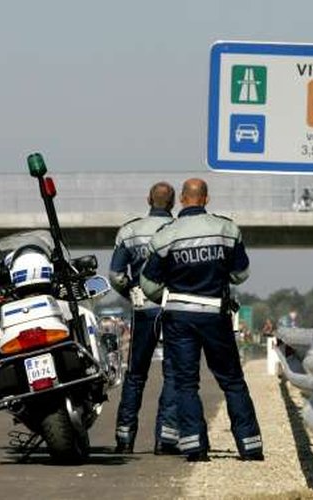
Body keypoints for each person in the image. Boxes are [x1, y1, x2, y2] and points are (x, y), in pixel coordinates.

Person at [140, 178, 263, 462]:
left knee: (185, 383)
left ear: (182, 199)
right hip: (215, 315)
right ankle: (250, 446)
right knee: (232, 381)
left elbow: (148, 283)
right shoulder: (227, 229)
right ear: (206, 199)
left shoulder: (165, 235)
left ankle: (194, 447)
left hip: (179, 317)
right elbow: (241, 274)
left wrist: (168, 295)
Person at [109, 182, 178, 455]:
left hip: (142, 309)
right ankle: (166, 439)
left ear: (148, 198)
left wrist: (131, 291)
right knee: (173, 374)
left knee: (136, 375)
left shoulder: (129, 230)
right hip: (174, 306)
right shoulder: (180, 231)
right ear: (173, 203)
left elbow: (115, 275)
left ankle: (125, 438)